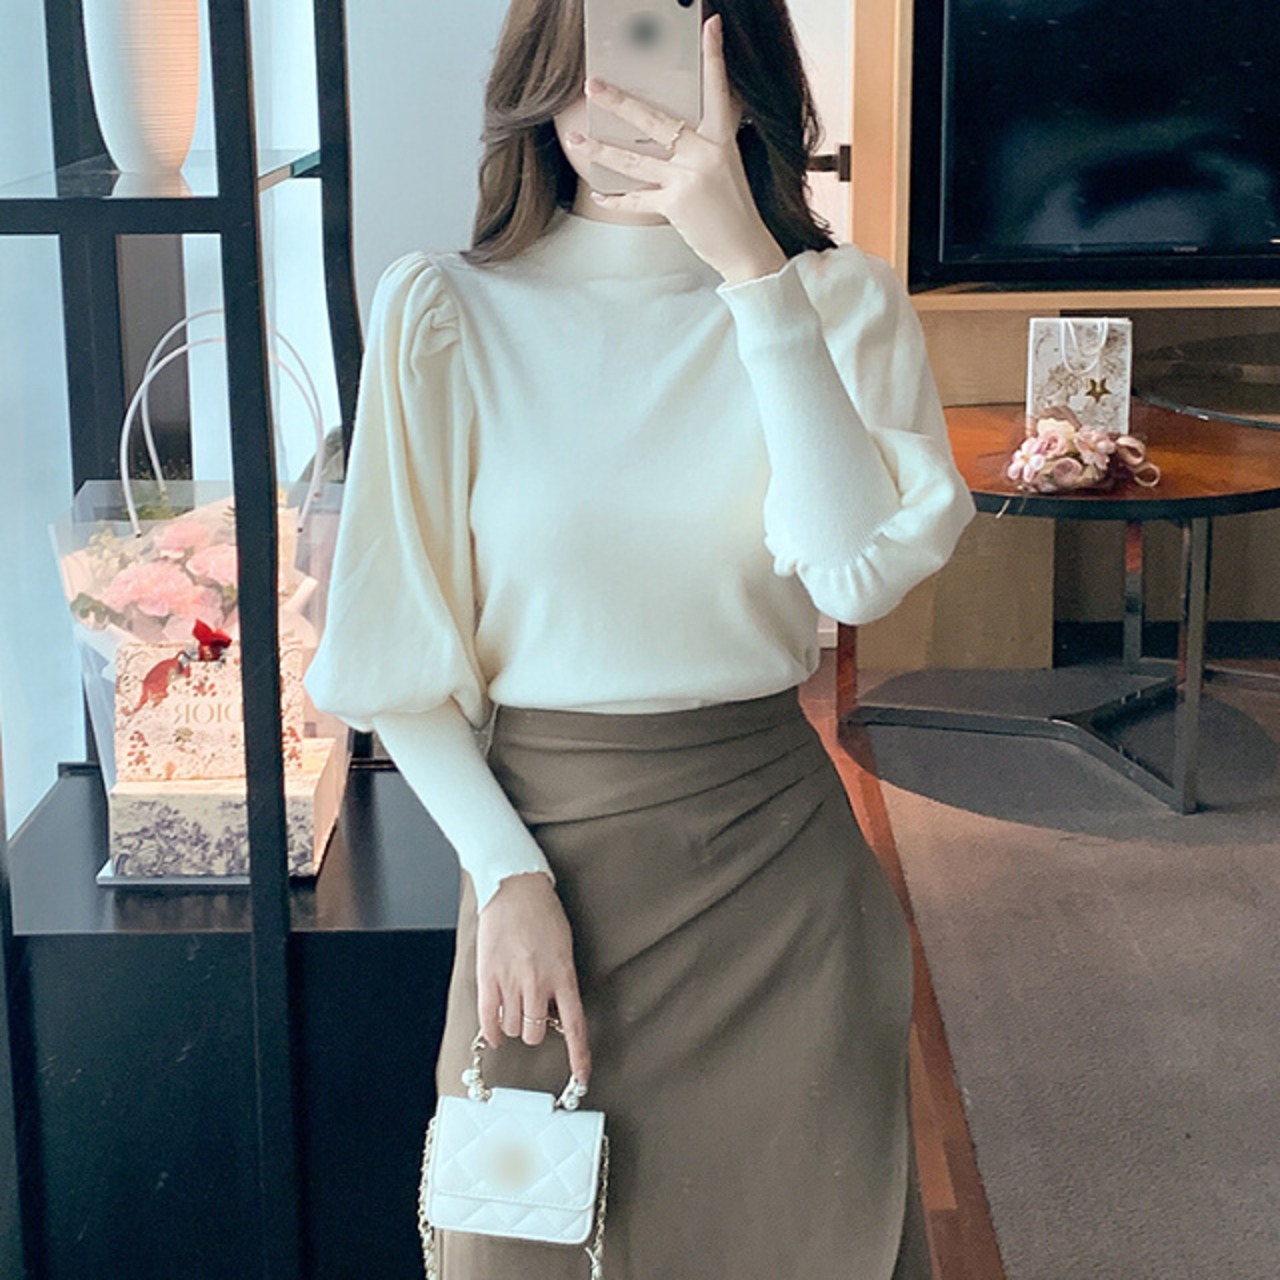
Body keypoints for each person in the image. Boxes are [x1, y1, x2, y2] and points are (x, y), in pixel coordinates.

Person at [303, 2, 977, 1276]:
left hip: (778, 889)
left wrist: (751, 276)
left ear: (738, 76)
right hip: (540, 876)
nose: (616, 104)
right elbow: (393, 664)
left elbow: (850, 572)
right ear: (541, 77)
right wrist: (505, 876)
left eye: (659, 52)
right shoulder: (446, 311)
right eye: (589, 63)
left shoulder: (838, 303)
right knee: (519, 1244)